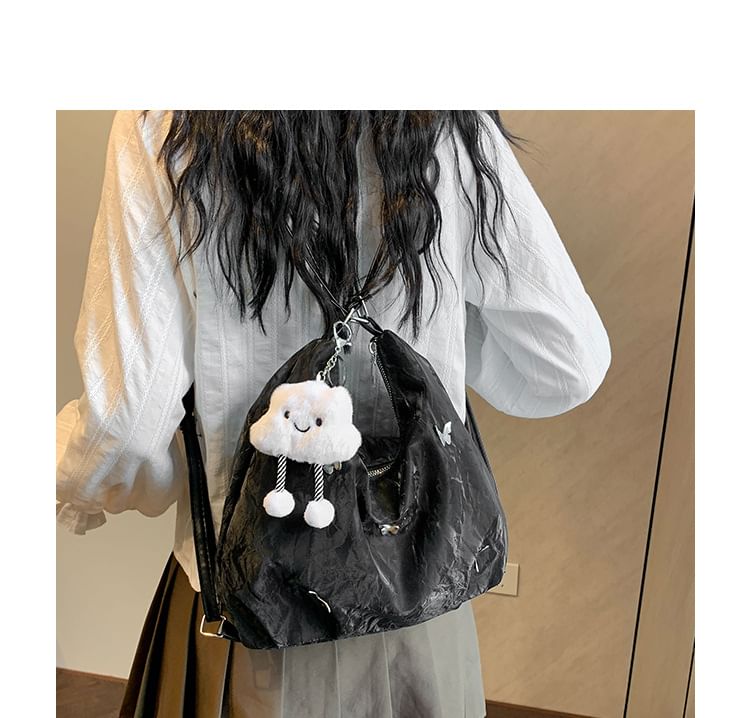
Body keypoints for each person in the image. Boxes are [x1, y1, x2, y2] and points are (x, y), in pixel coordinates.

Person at [56, 110, 611, 718]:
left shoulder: (164, 120)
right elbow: (567, 363)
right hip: (415, 600)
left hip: (250, 611)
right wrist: (429, 340)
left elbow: (128, 423)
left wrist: (76, 485)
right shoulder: (449, 121)